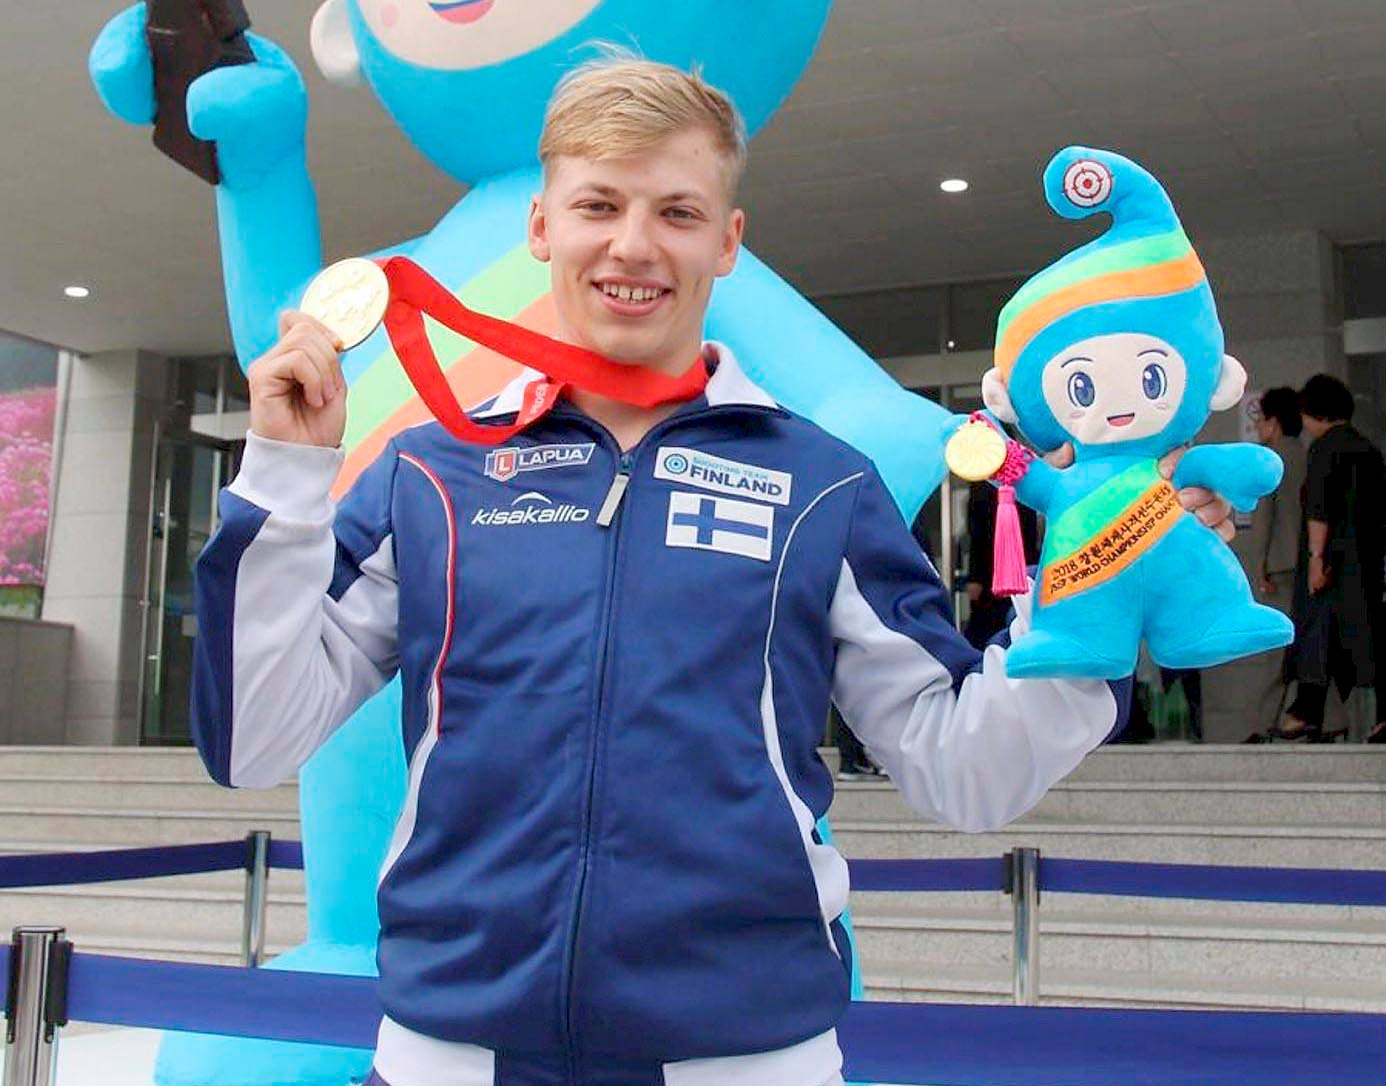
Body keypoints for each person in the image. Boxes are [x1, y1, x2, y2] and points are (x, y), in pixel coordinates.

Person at [191, 59, 1235, 1086]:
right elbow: (254, 738)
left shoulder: (822, 484)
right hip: (449, 1057)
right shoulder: (430, 474)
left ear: (728, 241)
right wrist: (285, 474)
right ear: (543, 227)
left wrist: (1098, 595)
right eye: (599, 204)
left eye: (677, 212)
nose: (633, 245)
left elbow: (964, 770)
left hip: (745, 1059)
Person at [1276, 374, 1386, 742]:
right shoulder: (1369, 450)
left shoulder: (1323, 449)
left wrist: (1316, 559)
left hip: (1332, 563)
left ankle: (1306, 712)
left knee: (1316, 633)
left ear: (1317, 414)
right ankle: (1376, 719)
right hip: (1366, 561)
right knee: (1367, 637)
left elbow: (1319, 509)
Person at [1242, 387, 1308, 735]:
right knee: (1312, 643)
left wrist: (1259, 568)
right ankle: (1325, 718)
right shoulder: (1307, 454)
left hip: (1280, 566)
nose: (1258, 427)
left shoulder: (1270, 461)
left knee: (1276, 649)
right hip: (1309, 564)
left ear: (1274, 422)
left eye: (1261, 419)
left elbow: (1264, 520)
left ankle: (1263, 724)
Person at [962, 479, 1040, 649]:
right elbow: (977, 537)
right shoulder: (984, 487)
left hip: (1019, 568)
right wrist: (975, 576)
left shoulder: (1022, 486)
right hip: (994, 571)